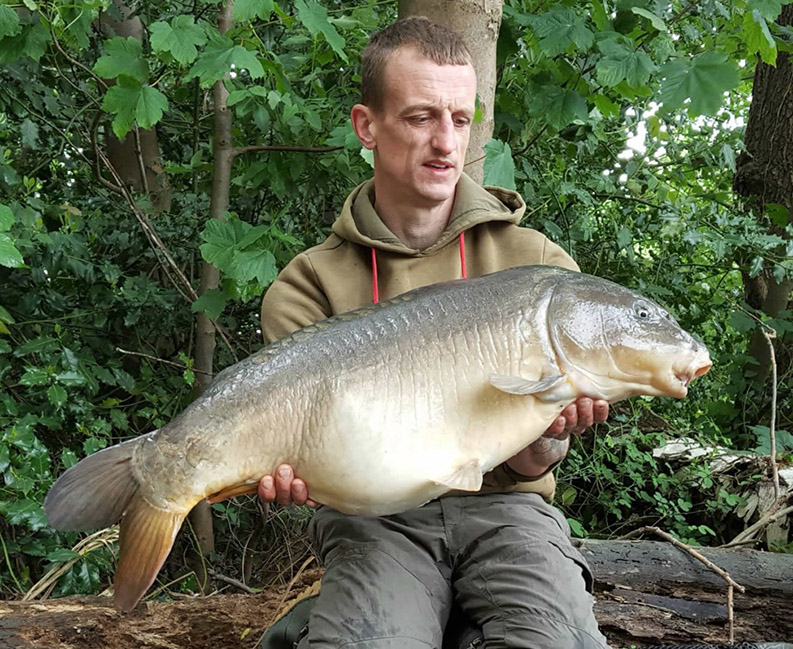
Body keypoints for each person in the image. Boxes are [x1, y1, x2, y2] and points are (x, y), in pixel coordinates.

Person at [256, 17, 610, 649]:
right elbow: (314, 474)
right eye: (421, 117)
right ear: (367, 125)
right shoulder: (308, 284)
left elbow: (532, 463)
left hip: (510, 513)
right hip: (378, 522)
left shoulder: (538, 267)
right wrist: (294, 477)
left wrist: (554, 432)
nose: (446, 142)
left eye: (461, 119)